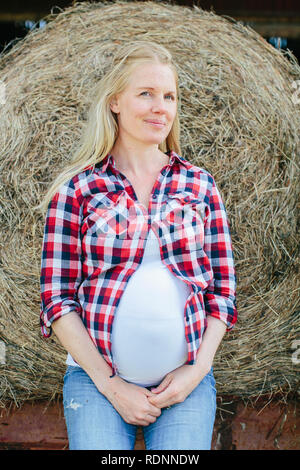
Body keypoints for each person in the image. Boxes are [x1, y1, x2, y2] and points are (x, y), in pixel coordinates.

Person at [39, 41, 238, 450]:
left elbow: (222, 292)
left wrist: (196, 372)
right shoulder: (77, 191)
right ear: (114, 102)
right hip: (97, 383)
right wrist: (112, 386)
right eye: (145, 93)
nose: (159, 107)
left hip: (186, 383)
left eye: (169, 96)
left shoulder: (199, 186)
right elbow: (57, 300)